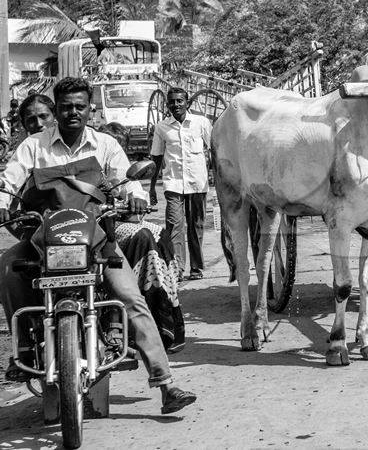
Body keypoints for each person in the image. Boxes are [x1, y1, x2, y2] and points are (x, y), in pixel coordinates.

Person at [0, 77, 196, 414]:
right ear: (56, 111)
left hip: (95, 239)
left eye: (79, 106)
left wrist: (134, 198)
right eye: (65, 107)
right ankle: (25, 351)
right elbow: (9, 181)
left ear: (90, 109)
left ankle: (166, 383)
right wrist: (2, 201)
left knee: (131, 297)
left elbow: (128, 180)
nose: (73, 112)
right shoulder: (34, 146)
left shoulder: (105, 144)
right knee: (6, 267)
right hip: (45, 240)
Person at [99, 123, 186, 352]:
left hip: (121, 221)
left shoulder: (124, 170)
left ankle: (166, 314)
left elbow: (136, 191)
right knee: (144, 236)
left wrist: (137, 201)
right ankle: (140, 318)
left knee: (161, 235)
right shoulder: (91, 166)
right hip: (100, 227)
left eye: (117, 142)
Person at [149, 87, 212, 281]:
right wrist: (151, 187)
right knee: (174, 225)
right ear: (167, 105)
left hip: (197, 183)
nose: (175, 105)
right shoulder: (162, 127)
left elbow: (214, 150)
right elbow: (157, 158)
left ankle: (196, 267)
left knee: (196, 225)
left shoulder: (201, 123)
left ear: (187, 103)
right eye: (171, 102)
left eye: (179, 101)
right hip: (173, 184)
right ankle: (177, 268)